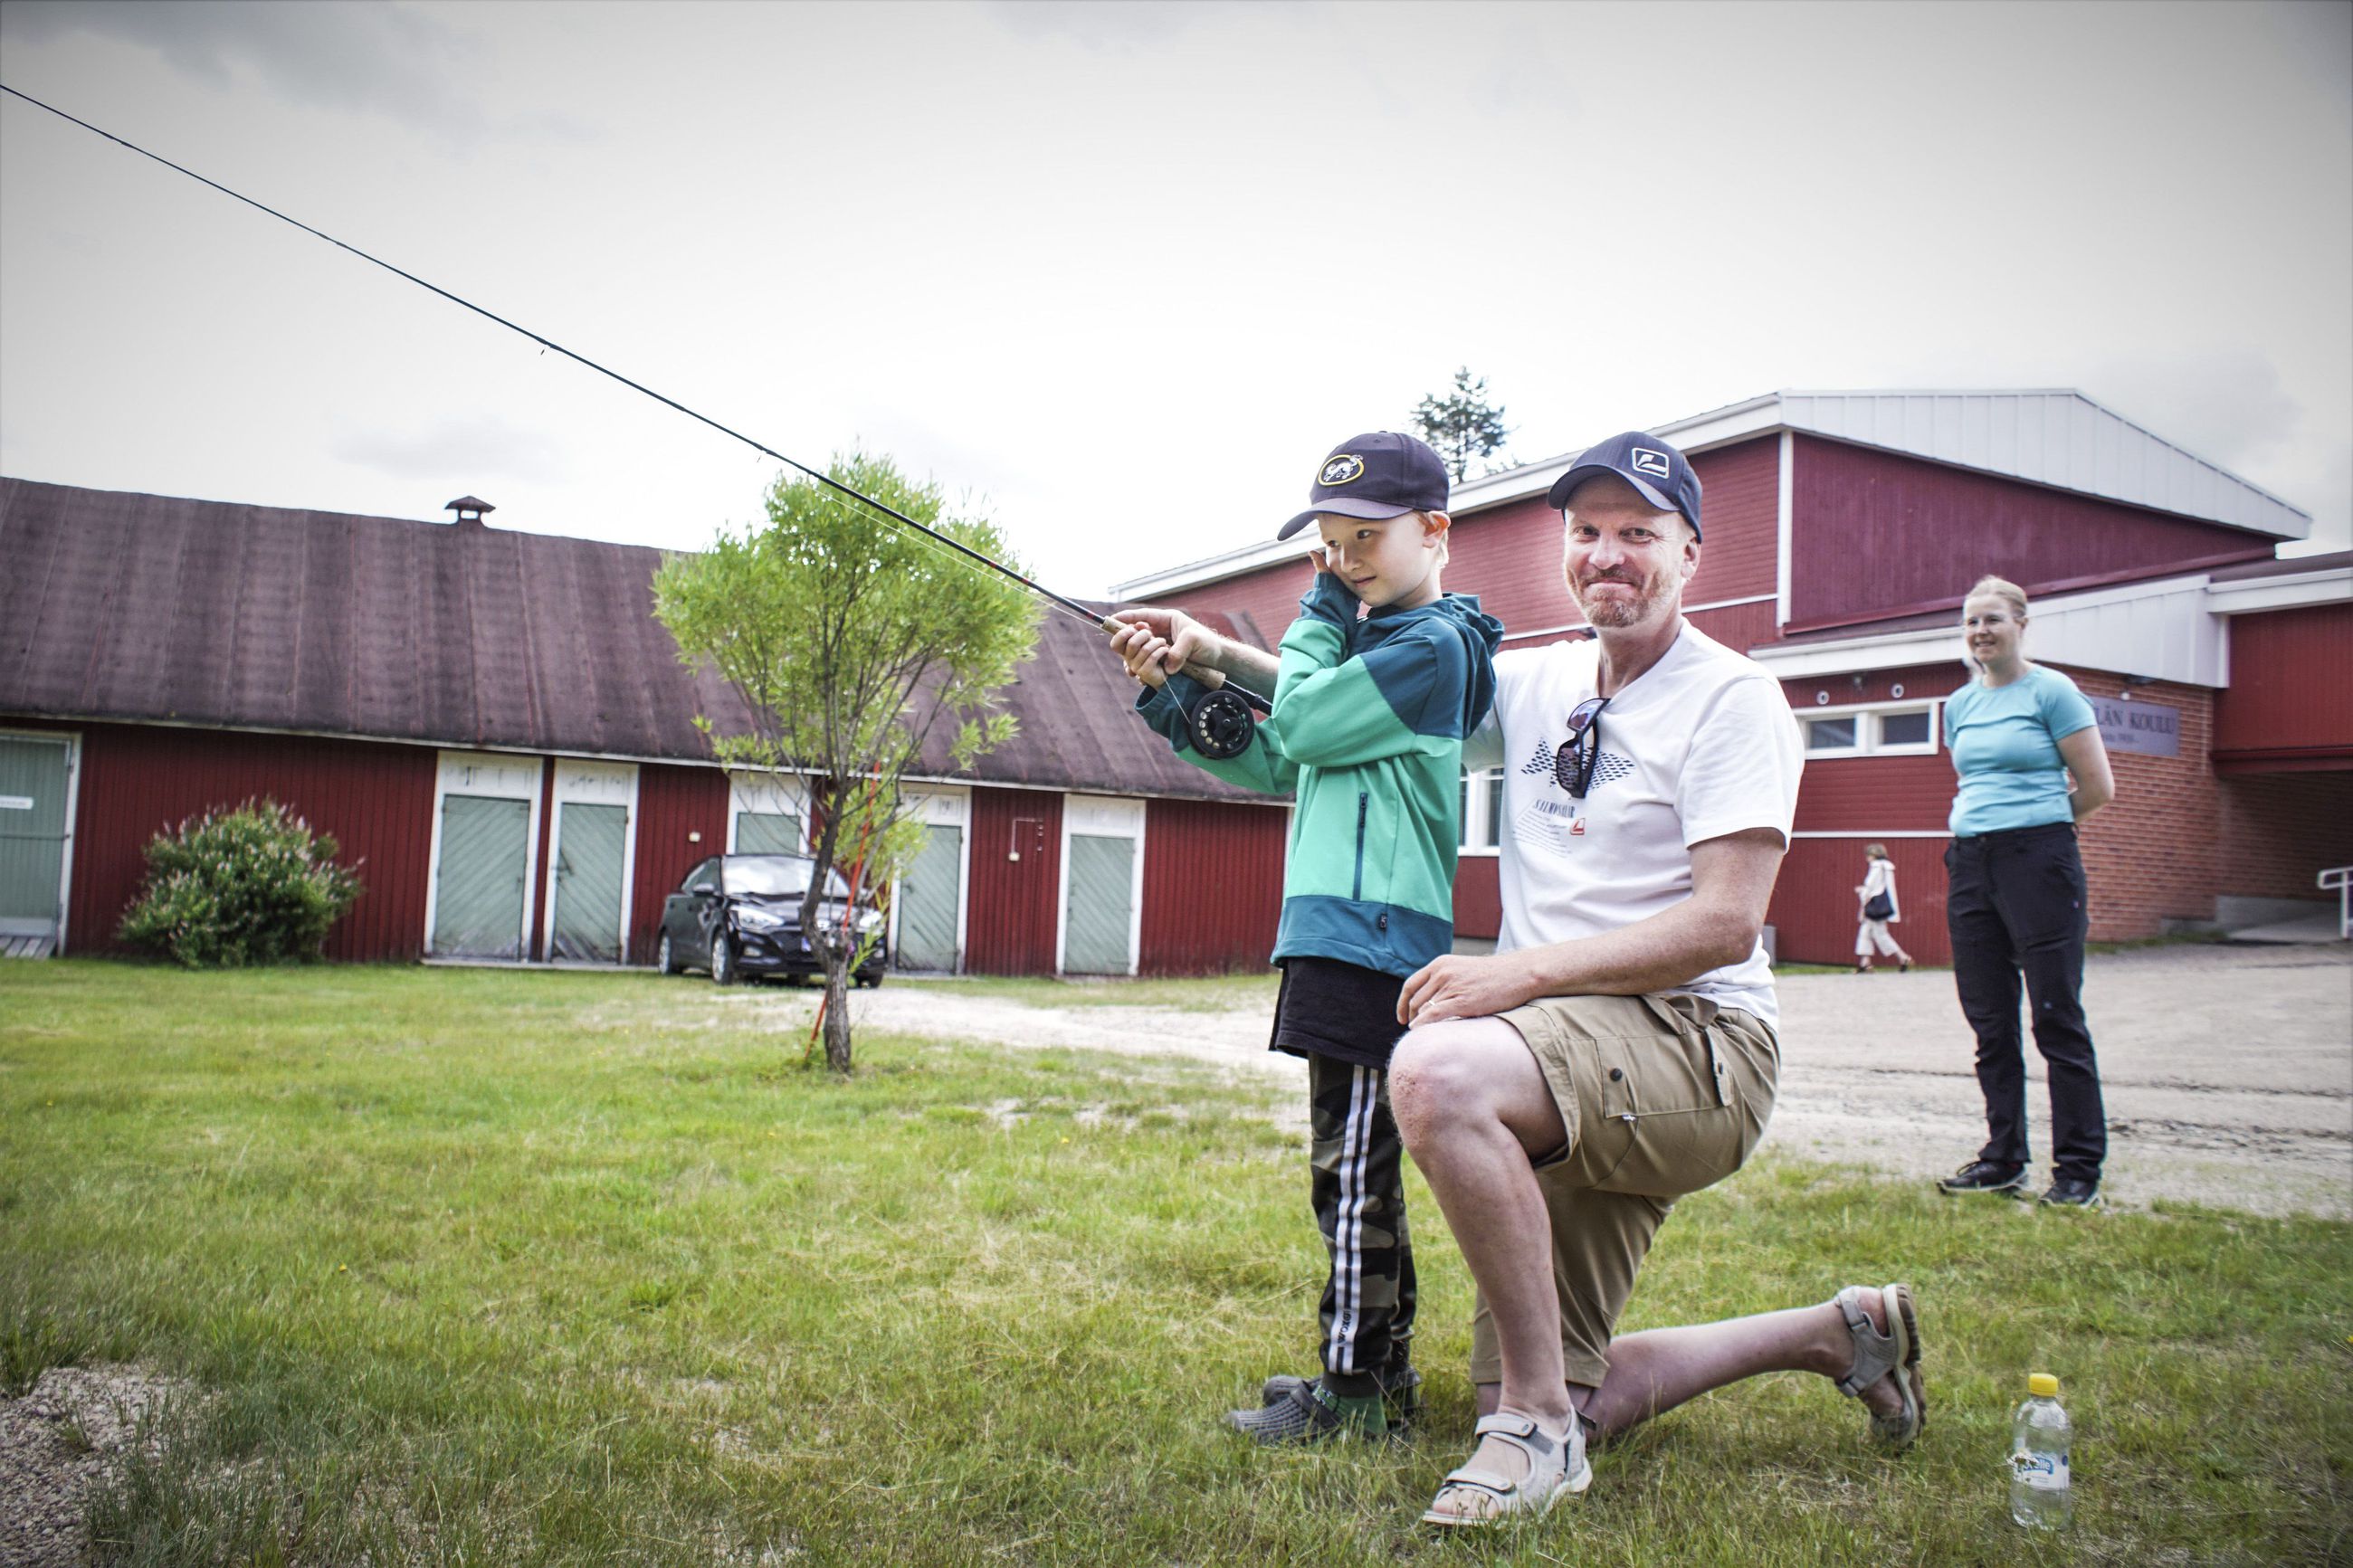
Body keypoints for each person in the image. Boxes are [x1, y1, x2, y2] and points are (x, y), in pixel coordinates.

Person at [1129, 432, 1929, 1529]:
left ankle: (1539, 1436)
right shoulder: (1537, 680)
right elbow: (1349, 710)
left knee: (1435, 1070)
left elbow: (1723, 922)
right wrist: (1209, 655)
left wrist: (1511, 978)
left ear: (1690, 552)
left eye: (1638, 534)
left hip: (1695, 1049)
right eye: (1588, 531)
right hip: (1560, 1059)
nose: (1608, 554)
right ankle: (1836, 1332)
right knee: (1515, 1382)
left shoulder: (1734, 698)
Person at [1110, 430, 1502, 1444]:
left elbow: (1310, 719)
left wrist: (1318, 608)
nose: (1343, 557)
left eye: (1364, 537)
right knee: (1349, 1163)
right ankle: (1377, 1370)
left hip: (1375, 943)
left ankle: (1354, 1391)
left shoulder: (1435, 646)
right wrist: (1172, 690)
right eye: (1328, 541)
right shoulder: (1370, 653)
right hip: (1335, 933)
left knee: (1351, 1169)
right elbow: (1285, 754)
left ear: (1434, 530)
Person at [1934, 575, 2116, 1209]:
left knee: (2056, 1017)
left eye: (1993, 619)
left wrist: (2036, 831)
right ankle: (2002, 1156)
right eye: (1971, 621)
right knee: (1990, 1021)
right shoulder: (1959, 704)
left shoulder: (2053, 691)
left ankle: (2078, 1170)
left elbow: (2096, 787)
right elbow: (1972, 776)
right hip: (1971, 862)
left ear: (2020, 624)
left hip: (2039, 859)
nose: (1980, 631)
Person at [1853, 842, 1912, 973]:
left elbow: (1870, 886)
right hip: (1882, 905)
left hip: (1874, 906)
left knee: (1880, 934)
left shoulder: (1876, 867)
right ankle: (1865, 962)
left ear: (1873, 855)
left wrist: (1861, 892)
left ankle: (1903, 957)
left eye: (1868, 855)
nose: (1866, 858)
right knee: (1866, 932)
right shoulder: (1886, 867)